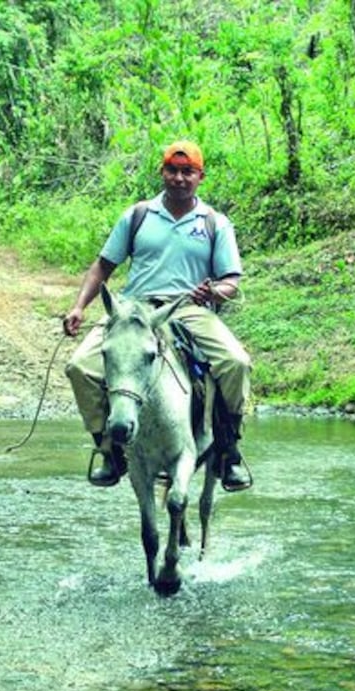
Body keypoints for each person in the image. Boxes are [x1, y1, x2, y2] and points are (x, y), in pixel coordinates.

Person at [63, 140, 253, 492]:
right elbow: (103, 266)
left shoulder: (215, 223)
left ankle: (230, 451)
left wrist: (213, 290)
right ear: (162, 173)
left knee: (236, 362)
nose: (179, 178)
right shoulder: (137, 216)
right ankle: (107, 449)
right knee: (79, 367)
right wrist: (79, 307)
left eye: (187, 172)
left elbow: (231, 280)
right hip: (134, 310)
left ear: (200, 177)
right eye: (172, 171)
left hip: (189, 310)